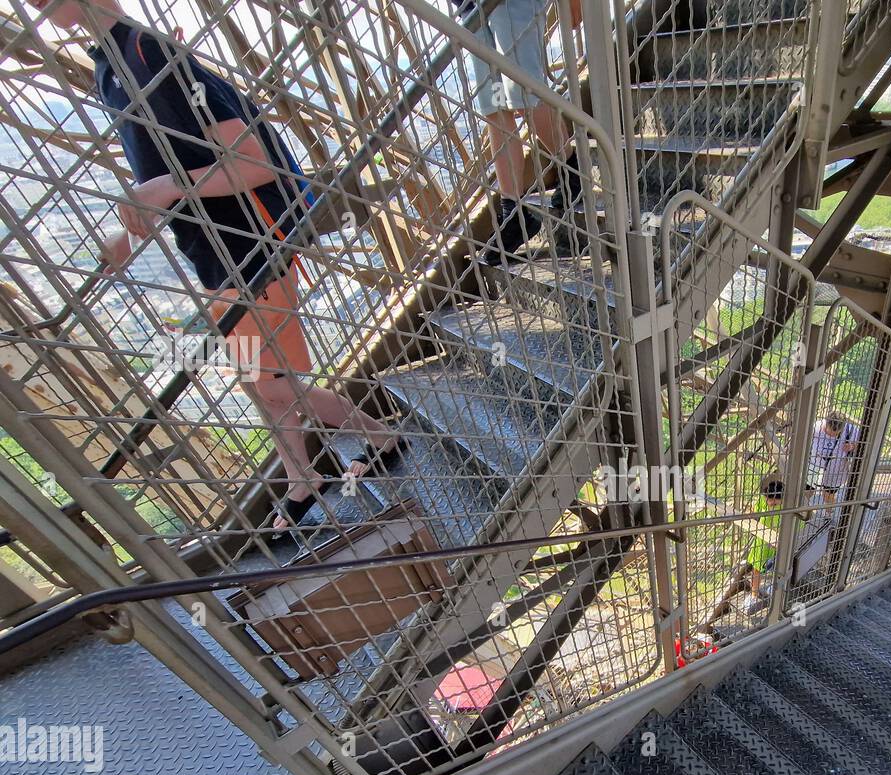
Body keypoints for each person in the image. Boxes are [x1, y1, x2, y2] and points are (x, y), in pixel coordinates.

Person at [36, 0, 402, 535]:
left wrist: (159, 191)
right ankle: (303, 478)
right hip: (215, 254)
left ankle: (381, 438)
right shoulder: (109, 66)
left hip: (254, 248)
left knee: (274, 385)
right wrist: (136, 221)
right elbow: (173, 172)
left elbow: (253, 161)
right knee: (256, 380)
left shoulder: (149, 53)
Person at [458, 0, 585, 264]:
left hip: (510, 4)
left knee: (525, 94)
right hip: (472, 10)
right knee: (495, 108)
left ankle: (572, 170)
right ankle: (513, 213)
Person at [741, 474, 786, 615]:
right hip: (761, 541)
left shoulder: (786, 506)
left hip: (779, 543)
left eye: (775, 500)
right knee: (757, 568)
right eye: (769, 499)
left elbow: (796, 524)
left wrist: (780, 536)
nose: (771, 503)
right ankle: (754, 595)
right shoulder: (762, 501)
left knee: (778, 567)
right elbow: (755, 512)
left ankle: (773, 587)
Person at [808, 411, 860, 506]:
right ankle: (803, 515)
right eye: (829, 431)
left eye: (836, 433)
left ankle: (828, 517)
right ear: (826, 423)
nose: (832, 435)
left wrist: (852, 446)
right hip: (814, 465)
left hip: (836, 470)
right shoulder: (816, 427)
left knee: (828, 495)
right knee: (807, 492)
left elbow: (864, 443)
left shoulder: (852, 430)